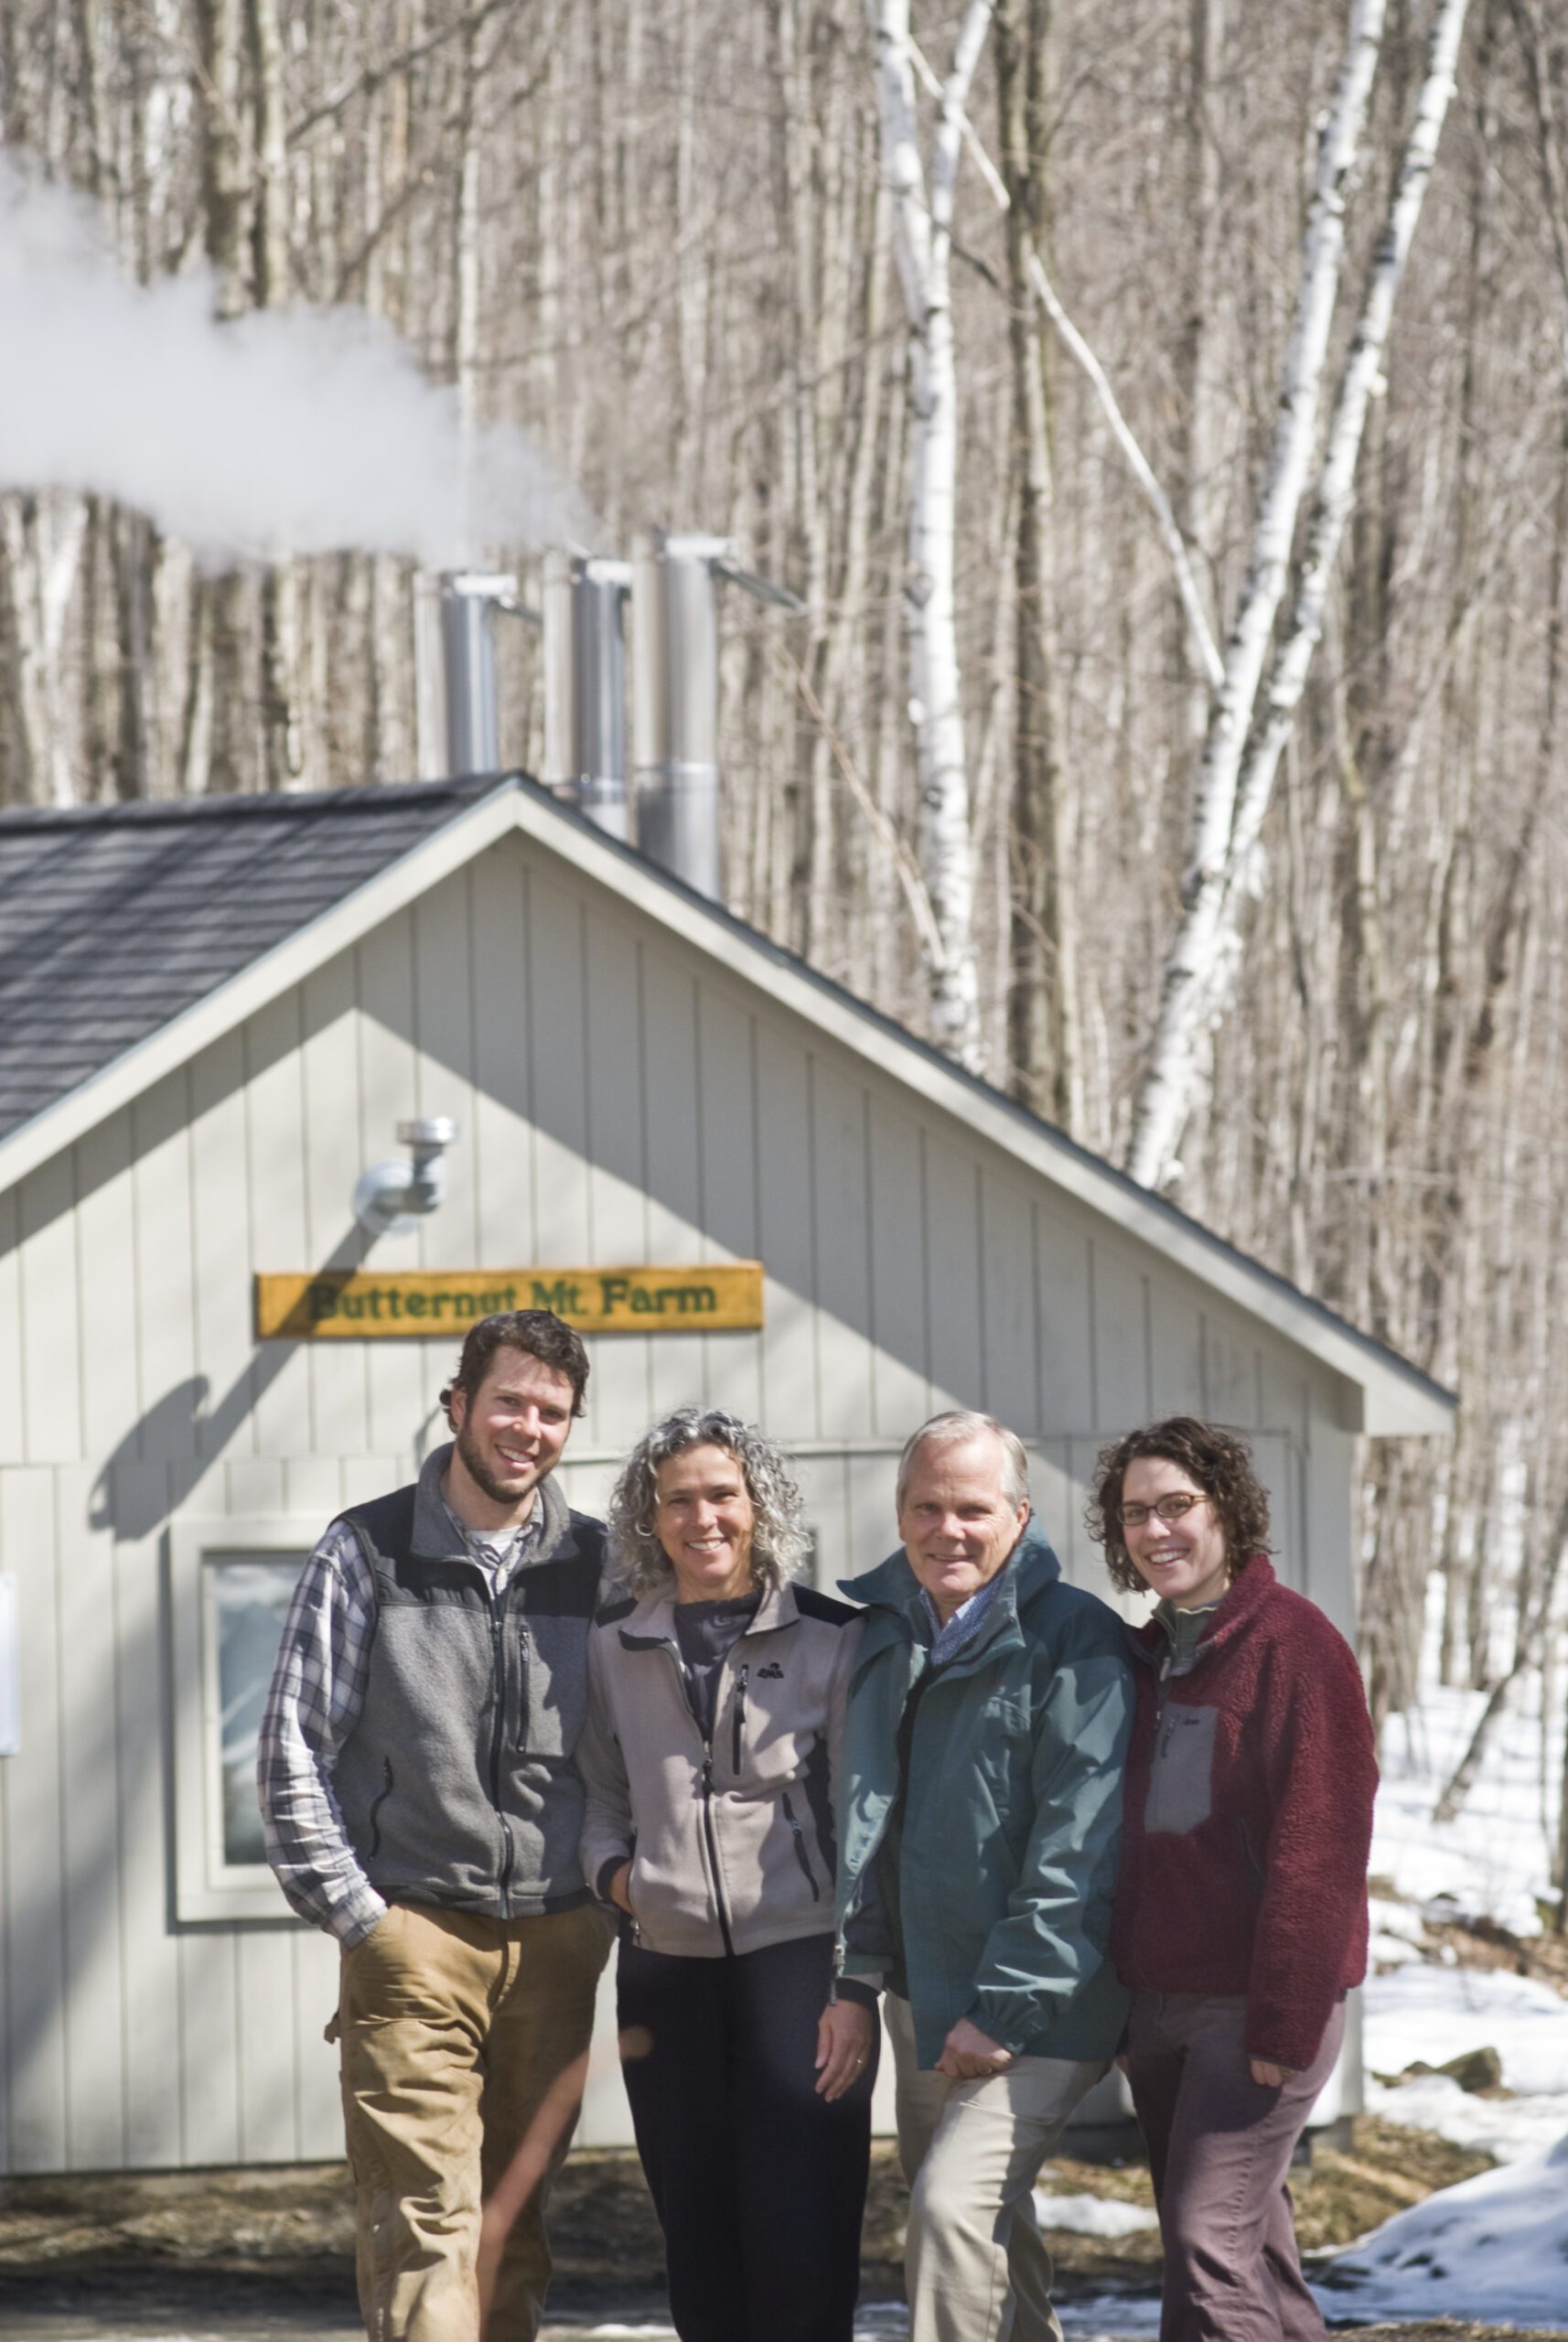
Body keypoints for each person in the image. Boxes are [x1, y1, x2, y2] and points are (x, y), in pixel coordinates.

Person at [258, 1310, 611, 2342]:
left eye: (552, 1411)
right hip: (414, 1933)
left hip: (558, 1941)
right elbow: (292, 1745)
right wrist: (364, 1918)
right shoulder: (366, 1549)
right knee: (424, 2224)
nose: (528, 1426)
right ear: (456, 1404)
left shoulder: (598, 1565)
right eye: (508, 1399)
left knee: (513, 2228)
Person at [578, 1406, 876, 2342]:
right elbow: (598, 1792)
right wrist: (622, 1883)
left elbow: (864, 1819)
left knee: (801, 2235)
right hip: (663, 1971)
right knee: (696, 2234)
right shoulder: (612, 1642)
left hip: (799, 1965)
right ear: (650, 1516)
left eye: (722, 1493)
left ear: (759, 1504)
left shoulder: (832, 1636)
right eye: (677, 1500)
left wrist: (856, 1983)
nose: (701, 1517)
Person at [835, 1409, 1133, 2342]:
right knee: (987, 2232)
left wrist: (1004, 2008)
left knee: (949, 2214)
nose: (947, 1529)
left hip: (1039, 2004)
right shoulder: (883, 1630)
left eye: (971, 1506)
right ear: (898, 1514)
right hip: (923, 1994)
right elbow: (866, 1820)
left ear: (1020, 1513)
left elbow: (1079, 1851)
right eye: (927, 1507)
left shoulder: (1076, 1641)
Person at [1088, 1415, 1379, 2342]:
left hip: (1255, 2006)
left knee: (1205, 2240)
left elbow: (1320, 1845)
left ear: (1228, 1512)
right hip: (1160, 2006)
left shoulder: (1293, 1647)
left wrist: (1284, 2019)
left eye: (1177, 1504)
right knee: (1247, 2248)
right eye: (1135, 1512)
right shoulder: (1150, 1656)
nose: (1156, 1528)